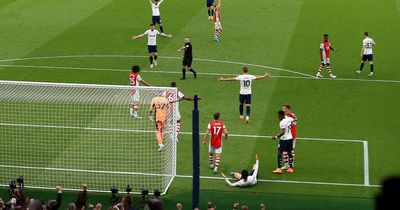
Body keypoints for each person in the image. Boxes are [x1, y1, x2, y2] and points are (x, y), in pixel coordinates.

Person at [281, 104, 297, 169]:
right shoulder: (284, 116)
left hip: (291, 135)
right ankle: (287, 165)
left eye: (284, 108)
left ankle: (291, 164)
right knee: (285, 150)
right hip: (286, 135)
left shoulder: (292, 115)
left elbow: (295, 121)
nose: (282, 109)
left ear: (288, 109)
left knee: (290, 150)